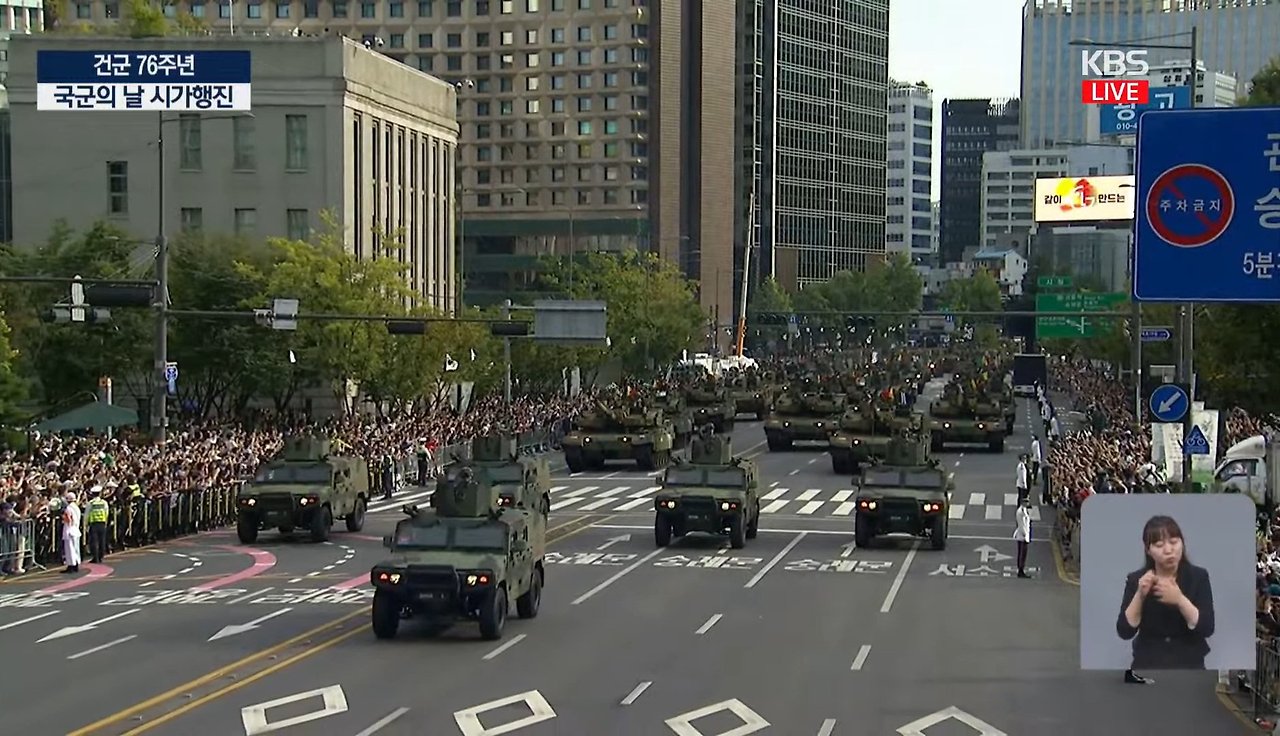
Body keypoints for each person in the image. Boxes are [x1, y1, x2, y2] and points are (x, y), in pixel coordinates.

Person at [1116, 515, 1215, 682]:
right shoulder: (1137, 580)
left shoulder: (1198, 577)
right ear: (1148, 550)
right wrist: (1140, 595)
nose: (1168, 550)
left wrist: (1179, 599)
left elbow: (1207, 628)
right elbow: (1124, 631)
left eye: (1174, 542)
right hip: (1147, 666)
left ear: (1182, 543)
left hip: (1190, 666)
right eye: (1159, 545)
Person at [85, 486, 110, 564]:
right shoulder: (104, 502)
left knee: (94, 541)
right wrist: (105, 521)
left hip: (93, 523)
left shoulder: (90, 503)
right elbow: (106, 513)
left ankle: (95, 558)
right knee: (102, 540)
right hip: (102, 522)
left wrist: (86, 524)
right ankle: (101, 556)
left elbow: (87, 514)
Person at [61, 491, 82, 574]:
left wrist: (63, 518)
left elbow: (68, 519)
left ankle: (71, 566)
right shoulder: (77, 508)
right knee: (76, 548)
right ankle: (76, 564)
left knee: (70, 549)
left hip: (69, 529)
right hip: (76, 529)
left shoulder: (69, 508)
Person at [1013, 496, 1032, 578]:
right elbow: (1021, 524)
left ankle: (1020, 569)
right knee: (1022, 553)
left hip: (1023, 534)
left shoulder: (1023, 510)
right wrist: (1025, 534)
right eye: (1026, 502)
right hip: (1022, 535)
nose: (1028, 503)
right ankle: (1021, 570)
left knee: (1021, 553)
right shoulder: (1021, 512)